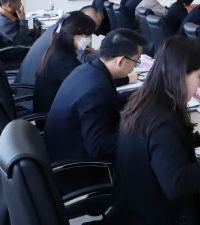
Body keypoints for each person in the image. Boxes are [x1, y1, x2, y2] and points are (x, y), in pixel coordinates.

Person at [104, 36, 200, 225]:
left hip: (136, 211)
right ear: (181, 74)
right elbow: (177, 183)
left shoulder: (144, 102)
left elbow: (156, 150)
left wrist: (193, 140)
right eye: (199, 75)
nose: (199, 84)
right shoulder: (164, 120)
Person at [44, 29, 145, 189]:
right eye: (136, 61)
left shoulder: (89, 70)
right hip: (79, 172)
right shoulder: (97, 89)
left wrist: (142, 95)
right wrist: (140, 133)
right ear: (120, 61)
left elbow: (108, 101)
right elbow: (99, 147)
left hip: (63, 152)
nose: (134, 67)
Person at [33, 12, 98, 113]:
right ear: (75, 35)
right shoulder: (64, 60)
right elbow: (85, 86)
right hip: (54, 116)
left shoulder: (56, 48)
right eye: (87, 35)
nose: (88, 40)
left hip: (53, 109)